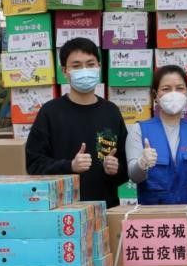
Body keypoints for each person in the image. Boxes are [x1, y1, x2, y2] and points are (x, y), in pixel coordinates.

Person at [26, 38, 127, 207]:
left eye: (90, 64)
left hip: (105, 208)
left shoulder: (111, 112)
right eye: (76, 66)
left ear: (99, 67)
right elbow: (34, 165)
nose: (85, 70)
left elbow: (125, 165)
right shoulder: (50, 112)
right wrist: (69, 166)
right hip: (62, 210)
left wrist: (116, 169)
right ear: (64, 71)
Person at [125, 65, 187, 204]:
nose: (173, 94)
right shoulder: (139, 130)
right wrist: (142, 163)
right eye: (166, 89)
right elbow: (134, 176)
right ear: (155, 95)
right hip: (154, 212)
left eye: (180, 88)